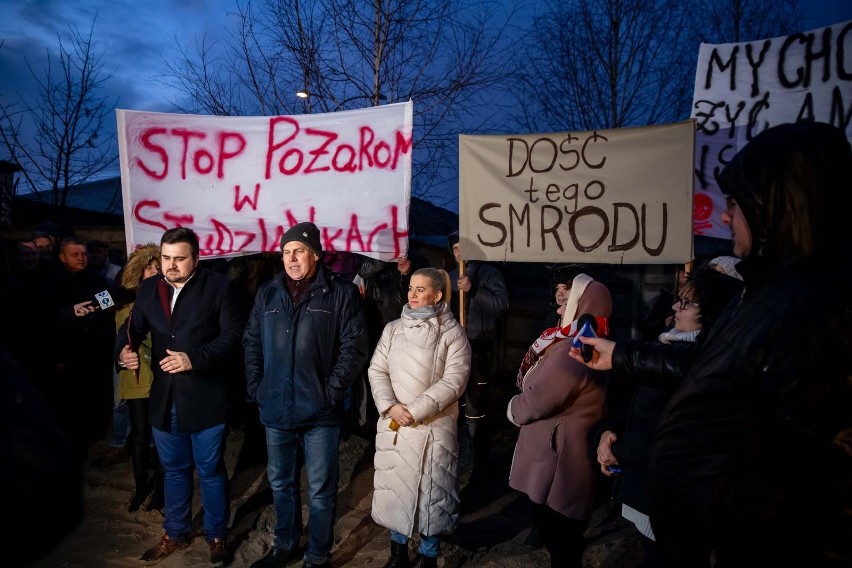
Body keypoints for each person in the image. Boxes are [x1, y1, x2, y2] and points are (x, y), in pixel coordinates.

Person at [570, 122, 852, 567]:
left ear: (776, 208)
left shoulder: (817, 308)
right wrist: (621, 355)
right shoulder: (768, 293)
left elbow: (811, 468)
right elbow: (708, 369)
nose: (724, 217)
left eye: (736, 205)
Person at [593, 267, 743, 567]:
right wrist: (611, 430)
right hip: (650, 493)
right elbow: (638, 405)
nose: (675, 307)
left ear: (712, 311)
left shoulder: (703, 366)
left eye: (688, 303)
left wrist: (619, 452)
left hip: (674, 502)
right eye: (678, 300)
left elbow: (660, 434)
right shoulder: (667, 346)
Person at [116, 227, 245, 566]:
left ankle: (217, 535)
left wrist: (195, 358)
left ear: (197, 258)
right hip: (165, 398)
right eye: (167, 258)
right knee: (173, 469)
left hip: (205, 397)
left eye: (179, 259)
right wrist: (124, 351)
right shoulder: (149, 288)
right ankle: (175, 533)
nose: (171, 265)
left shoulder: (219, 287)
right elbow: (131, 328)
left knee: (210, 470)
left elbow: (234, 336)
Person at [244, 222, 369, 568]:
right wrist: (257, 387)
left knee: (319, 489)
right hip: (276, 409)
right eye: (286, 252)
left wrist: (330, 393)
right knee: (281, 483)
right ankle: (285, 544)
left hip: (320, 413)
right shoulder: (268, 292)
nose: (291, 258)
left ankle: (317, 552)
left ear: (315, 254)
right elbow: (252, 341)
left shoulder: (340, 293)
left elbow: (354, 349)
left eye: (298, 251)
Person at [368, 267, 471, 568]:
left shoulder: (453, 334)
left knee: (431, 495)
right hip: (397, 426)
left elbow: (454, 381)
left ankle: (428, 555)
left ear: (437, 295)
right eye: (411, 288)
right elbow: (377, 369)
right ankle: (397, 553)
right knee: (396, 489)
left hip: (432, 429)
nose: (412, 294)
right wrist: (390, 406)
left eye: (420, 289)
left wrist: (416, 410)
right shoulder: (393, 329)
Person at [508, 273, 612, 568]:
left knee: (562, 540)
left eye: (568, 299)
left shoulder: (573, 349)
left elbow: (539, 399)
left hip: (562, 458)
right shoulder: (583, 340)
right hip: (564, 451)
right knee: (561, 536)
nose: (558, 308)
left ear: (584, 304)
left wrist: (513, 407)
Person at [40, 236, 115, 462]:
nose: (82, 258)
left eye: (83, 254)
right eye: (75, 255)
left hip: (95, 350)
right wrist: (70, 312)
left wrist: (98, 310)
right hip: (67, 353)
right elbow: (43, 318)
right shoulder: (51, 283)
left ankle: (94, 436)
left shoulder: (97, 280)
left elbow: (108, 305)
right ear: (62, 256)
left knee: (95, 398)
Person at [447, 230, 508, 475]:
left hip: (479, 348)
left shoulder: (489, 274)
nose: (459, 253)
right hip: (453, 349)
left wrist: (473, 290)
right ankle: (457, 457)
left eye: (463, 247)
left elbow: (501, 305)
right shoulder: (449, 277)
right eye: (455, 249)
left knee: (475, 407)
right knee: (454, 405)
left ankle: (478, 463)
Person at [111, 243, 163, 512]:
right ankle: (141, 485)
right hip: (137, 374)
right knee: (141, 434)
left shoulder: (168, 298)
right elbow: (120, 333)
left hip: (164, 374)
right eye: (148, 268)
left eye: (157, 267)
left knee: (163, 433)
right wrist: (122, 354)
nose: (154, 271)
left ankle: (161, 490)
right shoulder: (125, 301)